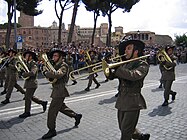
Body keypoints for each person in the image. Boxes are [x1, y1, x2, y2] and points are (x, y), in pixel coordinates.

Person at [107, 40, 150, 140]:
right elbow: (114, 76)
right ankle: (140, 137)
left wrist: (117, 68)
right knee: (123, 128)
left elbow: (134, 75)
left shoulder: (142, 64)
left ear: (136, 51)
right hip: (122, 100)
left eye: (129, 48)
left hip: (133, 101)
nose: (125, 51)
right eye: (126, 48)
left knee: (125, 132)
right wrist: (109, 70)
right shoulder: (125, 64)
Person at [42, 48, 82, 139]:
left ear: (60, 57)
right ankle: (76, 116)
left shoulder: (64, 66)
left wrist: (46, 72)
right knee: (61, 107)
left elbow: (57, 75)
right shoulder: (55, 65)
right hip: (56, 90)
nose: (53, 57)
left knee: (52, 111)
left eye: (55, 56)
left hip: (60, 91)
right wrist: (45, 69)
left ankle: (52, 130)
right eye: (53, 55)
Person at [19, 51, 48, 118]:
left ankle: (27, 112)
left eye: (26, 56)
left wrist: (24, 73)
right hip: (29, 83)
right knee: (30, 96)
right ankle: (43, 103)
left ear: (30, 57)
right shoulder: (27, 63)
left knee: (27, 98)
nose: (25, 57)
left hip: (32, 83)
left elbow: (33, 72)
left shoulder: (33, 64)